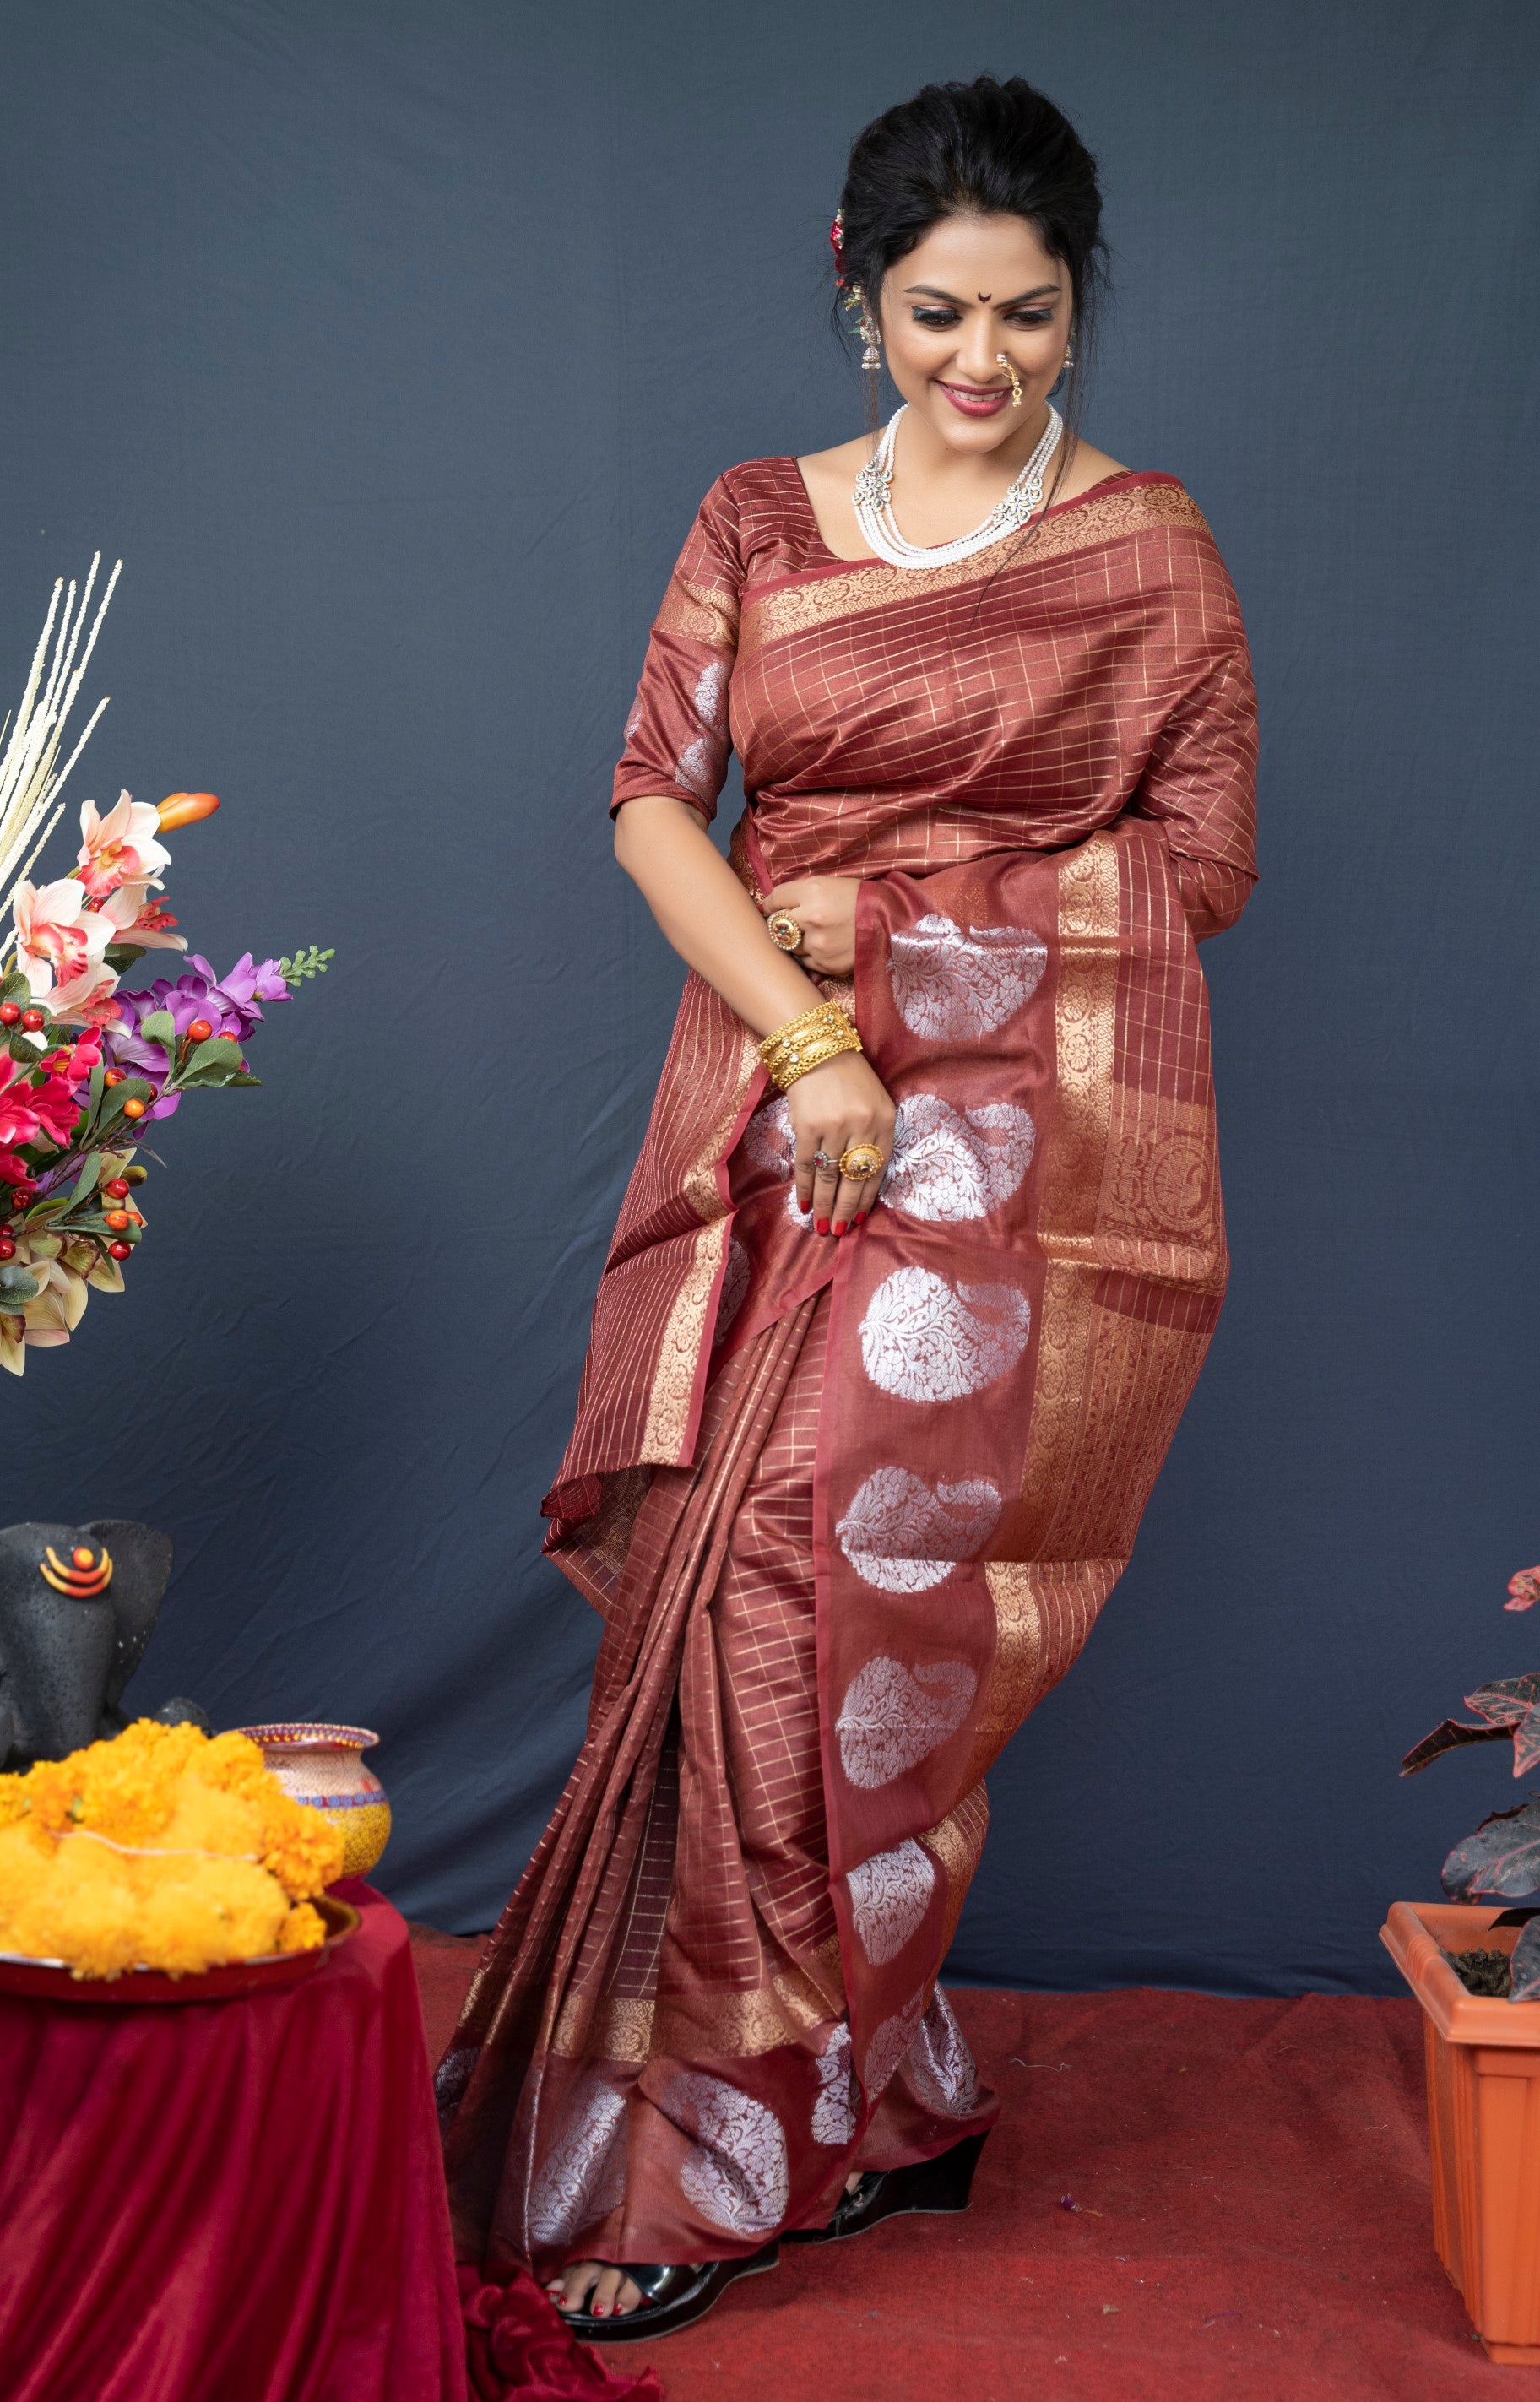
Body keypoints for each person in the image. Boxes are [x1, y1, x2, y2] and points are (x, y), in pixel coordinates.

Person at [441, 72, 1257, 2340]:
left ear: (1079, 296)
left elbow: (1199, 861)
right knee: (708, 1603)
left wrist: (898, 927)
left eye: (1028, 316)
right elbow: (648, 799)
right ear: (852, 282)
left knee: (834, 1620)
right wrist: (809, 1040)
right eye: (933, 317)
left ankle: (720, 2165)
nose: (983, 366)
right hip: (757, 1120)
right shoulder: (757, 522)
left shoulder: (1151, 547)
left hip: (1011, 1146)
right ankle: (879, 2096)